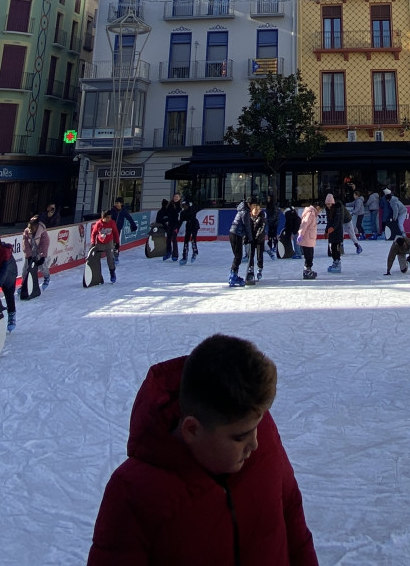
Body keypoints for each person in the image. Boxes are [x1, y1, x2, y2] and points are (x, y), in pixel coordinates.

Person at [87, 333, 317, 566]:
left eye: (257, 426)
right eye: (240, 437)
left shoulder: (259, 429)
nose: (255, 443)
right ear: (192, 430)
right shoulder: (133, 493)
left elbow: (292, 515)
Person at [90, 209, 122, 283]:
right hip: (100, 243)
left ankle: (112, 273)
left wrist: (117, 243)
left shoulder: (112, 223)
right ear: (103, 217)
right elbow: (93, 233)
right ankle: (97, 275)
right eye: (107, 218)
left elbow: (115, 233)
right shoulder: (98, 224)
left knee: (110, 258)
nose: (109, 219)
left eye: (110, 217)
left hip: (109, 243)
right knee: (96, 259)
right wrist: (93, 243)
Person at [21, 217, 50, 297]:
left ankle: (46, 277)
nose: (30, 230)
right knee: (26, 268)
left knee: (42, 266)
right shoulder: (27, 232)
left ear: (36, 226)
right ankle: (24, 283)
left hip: (39, 251)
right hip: (31, 251)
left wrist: (42, 256)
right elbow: (25, 244)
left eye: (32, 228)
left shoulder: (42, 232)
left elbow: (44, 244)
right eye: (29, 228)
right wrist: (28, 255)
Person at [323, 193, 345, 274]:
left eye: (329, 204)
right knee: (332, 248)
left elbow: (337, 220)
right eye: (327, 204)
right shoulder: (328, 210)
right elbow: (329, 221)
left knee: (336, 248)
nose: (328, 206)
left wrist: (333, 228)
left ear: (332, 203)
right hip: (331, 232)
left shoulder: (337, 208)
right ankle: (334, 262)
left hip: (337, 231)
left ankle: (338, 263)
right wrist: (326, 231)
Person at [297, 202, 319, 280]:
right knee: (308, 255)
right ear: (317, 207)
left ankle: (308, 269)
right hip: (307, 238)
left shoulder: (313, 213)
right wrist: (300, 234)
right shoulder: (311, 213)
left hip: (310, 238)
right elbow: (304, 224)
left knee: (310, 255)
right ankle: (307, 270)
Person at [180, 198, 201, 264]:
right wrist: (176, 228)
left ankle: (195, 251)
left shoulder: (192, 209)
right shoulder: (182, 213)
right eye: (183, 205)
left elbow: (200, 206)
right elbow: (180, 221)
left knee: (193, 239)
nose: (184, 207)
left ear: (188, 205)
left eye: (185, 205)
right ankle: (184, 256)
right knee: (186, 240)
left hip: (195, 224)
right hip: (188, 225)